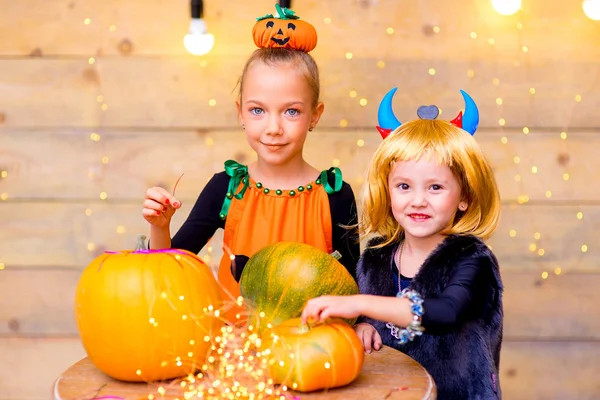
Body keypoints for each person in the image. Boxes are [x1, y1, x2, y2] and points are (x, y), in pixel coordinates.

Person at [141, 4, 360, 322]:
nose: (273, 128)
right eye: (258, 110)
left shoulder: (335, 194)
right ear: (240, 112)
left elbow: (354, 285)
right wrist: (159, 226)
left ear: (315, 115)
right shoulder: (227, 188)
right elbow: (171, 267)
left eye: (291, 111)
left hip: (310, 350)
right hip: (235, 349)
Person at [302, 89, 504, 399]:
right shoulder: (376, 258)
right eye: (404, 186)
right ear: (388, 191)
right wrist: (363, 325)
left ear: (465, 196)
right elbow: (373, 321)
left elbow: (445, 313)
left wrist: (360, 304)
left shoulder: (472, 259)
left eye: (435, 187)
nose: (418, 200)